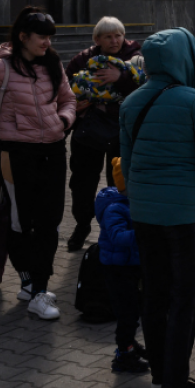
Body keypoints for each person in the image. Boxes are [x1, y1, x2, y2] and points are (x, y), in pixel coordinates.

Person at [120, 27, 195, 388]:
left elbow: (128, 162)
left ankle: (158, 375)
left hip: (146, 213)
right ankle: (175, 386)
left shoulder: (131, 101)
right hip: (187, 215)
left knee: (154, 291)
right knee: (185, 297)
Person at [0, 7, 77, 321]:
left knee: (50, 222)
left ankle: (38, 289)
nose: (46, 42)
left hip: (54, 150)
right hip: (15, 154)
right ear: (23, 36)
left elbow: (68, 99)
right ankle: (31, 283)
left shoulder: (52, 64)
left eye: (49, 37)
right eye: (41, 36)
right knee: (20, 222)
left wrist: (64, 120)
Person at [64, 17, 143, 252]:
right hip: (89, 130)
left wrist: (121, 78)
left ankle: (117, 228)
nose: (114, 40)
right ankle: (82, 225)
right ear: (97, 39)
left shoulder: (136, 56)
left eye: (118, 35)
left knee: (120, 183)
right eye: (108, 36)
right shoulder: (82, 59)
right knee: (82, 182)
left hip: (123, 131)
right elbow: (65, 89)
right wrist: (75, 104)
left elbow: (146, 87)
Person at [95, 160, 148, 374]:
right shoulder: (115, 208)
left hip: (131, 266)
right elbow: (117, 237)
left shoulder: (130, 202)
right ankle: (123, 355)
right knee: (127, 313)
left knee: (133, 310)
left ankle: (129, 344)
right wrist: (143, 233)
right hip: (117, 269)